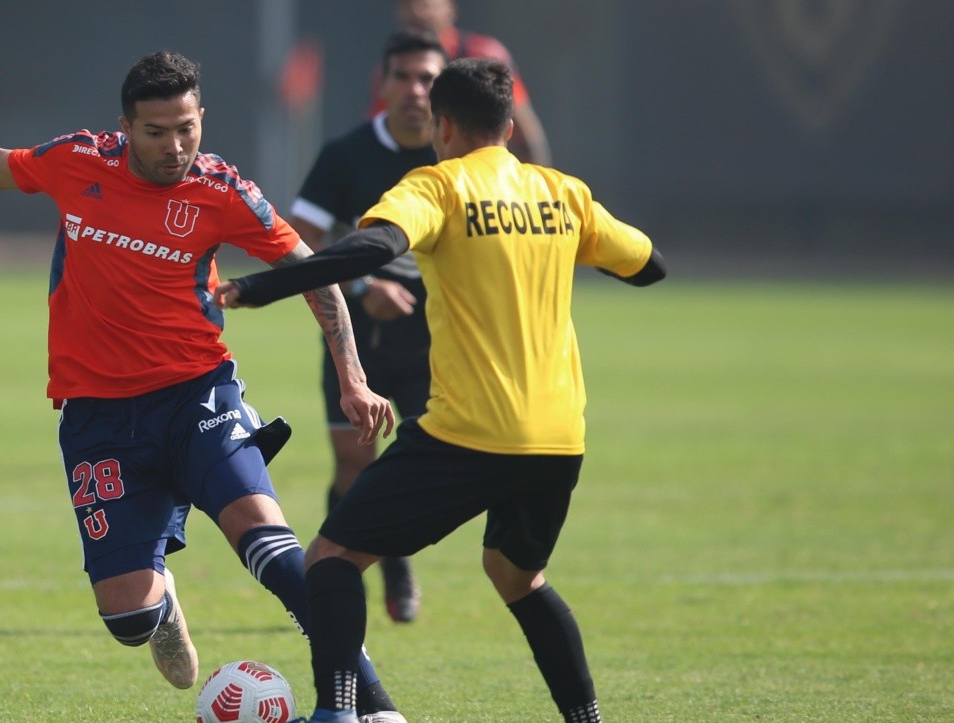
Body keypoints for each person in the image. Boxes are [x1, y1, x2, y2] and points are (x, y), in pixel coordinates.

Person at [0, 51, 409, 722]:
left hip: (198, 397)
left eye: (187, 127)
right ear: (125, 126)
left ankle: (372, 706)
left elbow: (317, 274)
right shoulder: (79, 162)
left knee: (271, 544)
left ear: (201, 118)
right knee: (128, 616)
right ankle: (161, 605)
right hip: (98, 416)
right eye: (156, 131)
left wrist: (353, 379)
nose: (176, 145)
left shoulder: (222, 191)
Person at [218, 58, 667, 722]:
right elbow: (648, 265)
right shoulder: (563, 194)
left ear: (443, 125)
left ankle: (339, 711)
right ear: (510, 126)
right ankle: (587, 719)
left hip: (469, 433)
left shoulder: (439, 186)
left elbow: (370, 248)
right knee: (516, 576)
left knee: (331, 557)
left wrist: (255, 288)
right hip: (558, 436)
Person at [288, 28, 446, 624]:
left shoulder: (454, 156)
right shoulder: (347, 153)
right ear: (382, 85)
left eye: (427, 78)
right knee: (355, 466)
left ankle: (390, 554)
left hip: (438, 345)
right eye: (403, 77)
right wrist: (359, 286)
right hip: (354, 342)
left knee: (425, 467)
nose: (414, 90)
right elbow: (300, 240)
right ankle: (367, 571)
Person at [371, 0, 552, 166]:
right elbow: (379, 135)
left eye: (426, 3)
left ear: (450, 8)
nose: (416, 11)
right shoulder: (392, 70)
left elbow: (524, 131)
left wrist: (535, 192)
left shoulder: (484, 54)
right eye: (407, 3)